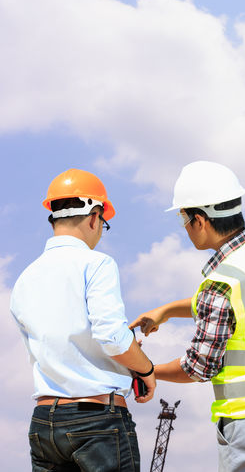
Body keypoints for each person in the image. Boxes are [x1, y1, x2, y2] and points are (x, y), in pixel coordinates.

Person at [131, 161, 245, 471]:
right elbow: (244, 303)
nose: (185, 229)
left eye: (183, 220)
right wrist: (167, 311)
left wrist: (147, 370)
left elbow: (198, 367)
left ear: (199, 220)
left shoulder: (221, 282)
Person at [10, 168, 157, 472]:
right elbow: (111, 336)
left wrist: (118, 348)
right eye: (104, 223)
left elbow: (54, 345)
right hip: (97, 422)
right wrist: (145, 367)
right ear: (94, 216)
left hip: (43, 424)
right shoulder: (97, 264)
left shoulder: (26, 277)